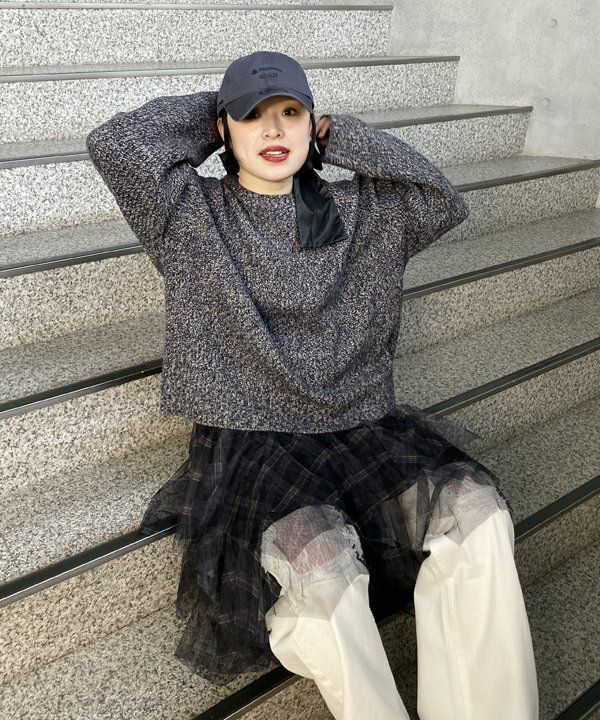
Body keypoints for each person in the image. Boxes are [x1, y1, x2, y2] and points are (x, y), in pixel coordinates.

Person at [86, 50, 540, 720]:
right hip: (254, 439)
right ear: (222, 129)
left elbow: (441, 199)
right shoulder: (189, 215)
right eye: (253, 116)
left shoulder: (364, 213)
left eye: (290, 113)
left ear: (312, 124)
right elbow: (115, 144)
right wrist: (215, 115)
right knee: (323, 567)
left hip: (361, 427)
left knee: (480, 516)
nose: (274, 130)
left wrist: (342, 136)